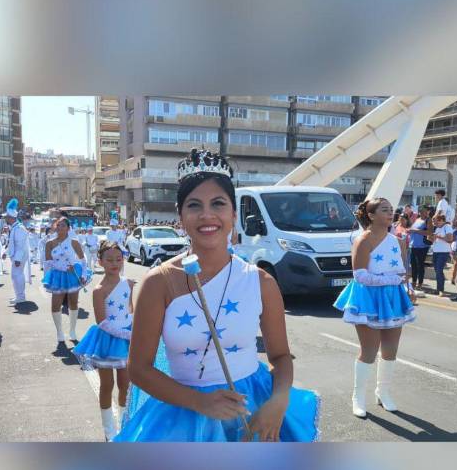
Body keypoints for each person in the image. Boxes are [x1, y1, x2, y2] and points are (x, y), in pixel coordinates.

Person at [114, 148, 319, 442]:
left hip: (252, 407)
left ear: (233, 214)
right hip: (183, 413)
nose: (207, 215)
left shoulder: (260, 282)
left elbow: (281, 356)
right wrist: (200, 403)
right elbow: (139, 369)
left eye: (218, 204)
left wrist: (278, 401)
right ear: (180, 216)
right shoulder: (158, 284)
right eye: (194, 205)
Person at [333, 198, 415, 418]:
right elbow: (360, 275)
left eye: (391, 210)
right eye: (384, 210)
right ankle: (358, 396)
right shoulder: (363, 240)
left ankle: (383, 391)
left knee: (390, 350)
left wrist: (407, 285)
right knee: (369, 351)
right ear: (371, 215)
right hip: (368, 298)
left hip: (393, 298)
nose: (391, 213)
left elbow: (404, 271)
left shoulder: (398, 241)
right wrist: (390, 279)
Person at [72, 241, 134, 440]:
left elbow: (130, 310)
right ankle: (109, 430)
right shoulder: (99, 290)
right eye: (109, 260)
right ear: (100, 262)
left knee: (126, 384)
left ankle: (124, 425)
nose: (115, 263)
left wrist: (135, 329)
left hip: (126, 339)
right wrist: (125, 334)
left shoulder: (128, 283)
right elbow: (102, 322)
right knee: (107, 385)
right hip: (108, 341)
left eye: (118, 259)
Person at [42, 217, 92, 343]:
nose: (60, 228)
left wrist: (84, 274)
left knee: (73, 302)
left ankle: (72, 330)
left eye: (63, 226)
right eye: (58, 225)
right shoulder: (49, 243)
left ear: (68, 228)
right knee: (55, 305)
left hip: (72, 274)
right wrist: (52, 272)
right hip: (57, 275)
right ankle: (59, 331)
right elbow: (47, 263)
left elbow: (82, 259)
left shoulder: (74, 242)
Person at [5, 199, 29, 305]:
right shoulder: (14, 228)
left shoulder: (19, 228)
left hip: (19, 256)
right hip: (16, 256)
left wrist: (18, 259)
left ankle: (21, 296)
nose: (5, 218)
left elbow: (20, 245)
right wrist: (5, 252)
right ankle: (19, 295)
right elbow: (11, 243)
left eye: (6, 217)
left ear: (11, 218)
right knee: (15, 275)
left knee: (17, 275)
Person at [428, 213, 454, 296]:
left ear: (442, 220)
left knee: (439, 270)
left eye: (436, 220)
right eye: (434, 220)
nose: (434, 222)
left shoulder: (447, 227)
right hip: (436, 251)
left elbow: (450, 239)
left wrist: (439, 237)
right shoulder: (437, 229)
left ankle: (441, 290)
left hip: (443, 252)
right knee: (437, 271)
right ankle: (438, 289)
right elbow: (436, 241)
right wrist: (431, 238)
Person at [406, 205, 431, 290]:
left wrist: (415, 231)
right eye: (420, 210)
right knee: (413, 265)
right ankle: (413, 282)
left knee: (420, 265)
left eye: (423, 210)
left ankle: (420, 283)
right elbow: (413, 229)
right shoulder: (417, 219)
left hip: (422, 246)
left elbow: (429, 232)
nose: (421, 211)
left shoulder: (428, 220)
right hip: (413, 245)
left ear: (427, 211)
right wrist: (410, 230)